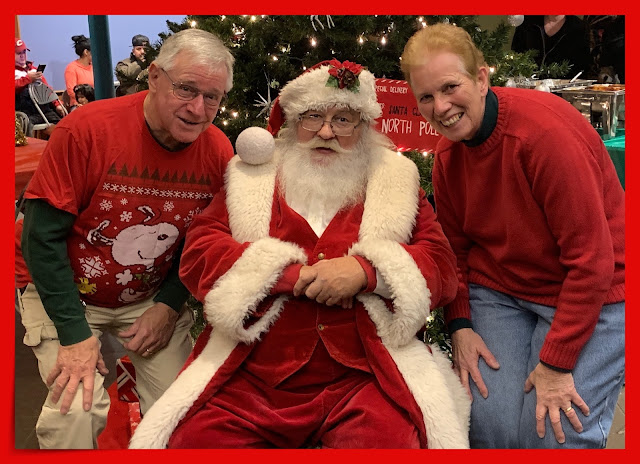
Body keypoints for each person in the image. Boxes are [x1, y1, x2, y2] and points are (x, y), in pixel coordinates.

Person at [129, 59, 470, 449]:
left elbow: (442, 265)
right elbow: (200, 252)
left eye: (343, 120)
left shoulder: (395, 181)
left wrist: (367, 272)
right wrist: (284, 274)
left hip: (363, 376)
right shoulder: (249, 176)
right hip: (253, 373)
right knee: (196, 443)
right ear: (293, 120)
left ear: (362, 127)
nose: (326, 131)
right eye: (313, 116)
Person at [400, 23, 625, 449]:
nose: (440, 107)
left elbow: (592, 263)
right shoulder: (448, 155)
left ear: (482, 78)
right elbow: (455, 251)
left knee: (552, 436)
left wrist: (556, 364)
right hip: (502, 289)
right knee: (488, 426)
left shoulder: (544, 138)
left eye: (450, 87)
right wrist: (460, 325)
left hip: (593, 289)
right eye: (426, 97)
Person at [18, 28, 235, 449]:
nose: (198, 109)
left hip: (148, 297)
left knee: (183, 412)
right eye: (186, 89)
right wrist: (73, 332)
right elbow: (40, 238)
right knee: (75, 413)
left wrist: (169, 305)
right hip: (64, 293)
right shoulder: (86, 130)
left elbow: (204, 243)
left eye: (212, 97)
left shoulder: (217, 152)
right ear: (153, 76)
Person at [511, 15, 591, 79]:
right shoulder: (526, 23)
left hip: (564, 89)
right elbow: (515, 56)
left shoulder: (579, 28)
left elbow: (582, 67)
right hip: (527, 87)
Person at [14, 37, 65, 137]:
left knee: (61, 123)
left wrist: (57, 104)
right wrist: (28, 79)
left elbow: (46, 88)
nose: (23, 56)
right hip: (25, 112)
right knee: (25, 123)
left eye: (24, 52)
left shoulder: (34, 69)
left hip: (43, 109)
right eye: (19, 53)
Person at [64, 35, 94, 110]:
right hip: (78, 104)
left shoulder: (95, 67)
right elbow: (71, 91)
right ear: (86, 52)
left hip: (94, 103)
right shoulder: (71, 68)